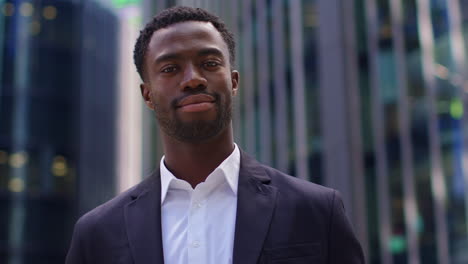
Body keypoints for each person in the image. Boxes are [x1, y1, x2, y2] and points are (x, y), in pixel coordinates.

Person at [66, 6, 364, 264]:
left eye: (209, 64)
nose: (193, 79)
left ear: (233, 82)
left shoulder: (316, 212)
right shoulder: (96, 235)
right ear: (148, 95)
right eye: (170, 68)